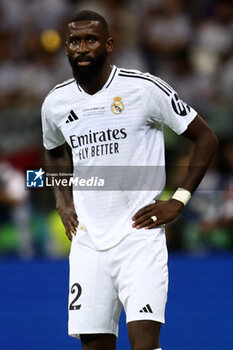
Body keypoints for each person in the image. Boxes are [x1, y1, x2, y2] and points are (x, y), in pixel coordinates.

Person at [41, 10, 218, 350]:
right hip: (88, 241)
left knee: (144, 343)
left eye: (91, 40)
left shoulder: (143, 89)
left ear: (108, 45)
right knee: (94, 346)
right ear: (66, 49)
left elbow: (206, 138)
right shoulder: (56, 103)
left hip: (140, 238)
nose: (82, 48)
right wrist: (63, 202)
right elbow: (54, 151)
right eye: (75, 41)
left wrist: (178, 200)